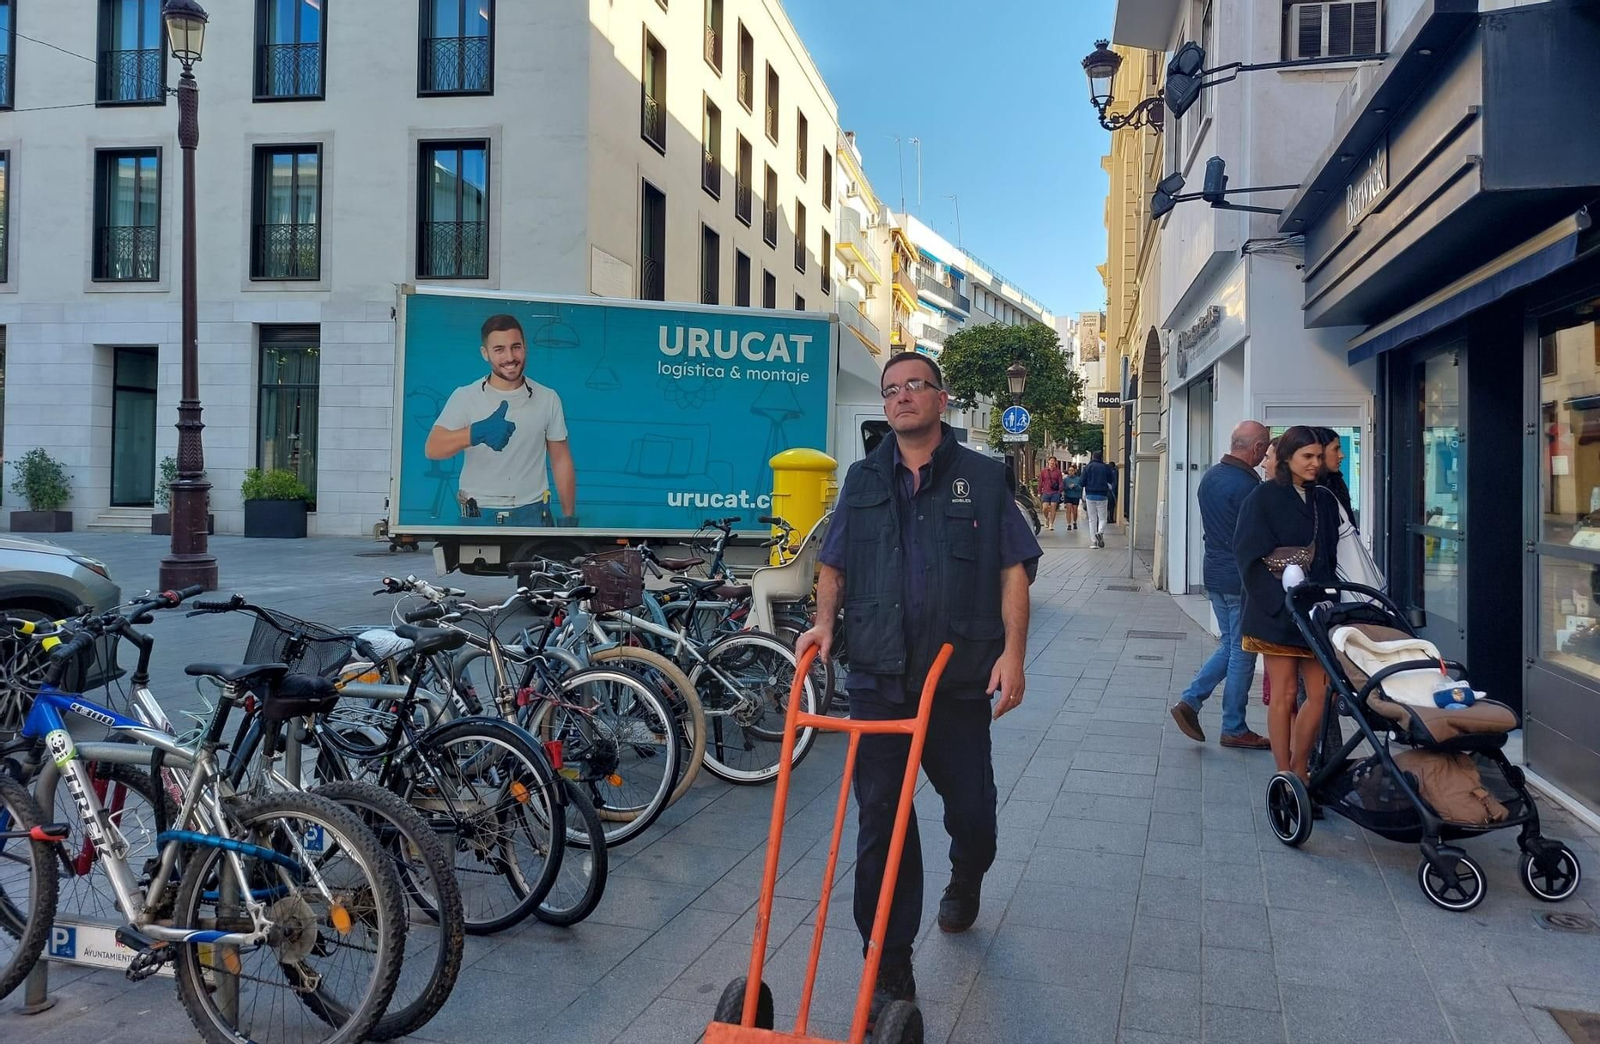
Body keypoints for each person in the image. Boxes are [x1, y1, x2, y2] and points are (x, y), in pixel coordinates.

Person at [798, 351, 1041, 1025]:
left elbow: (1014, 571)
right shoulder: (862, 478)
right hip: (879, 677)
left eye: (916, 386)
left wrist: (1013, 656)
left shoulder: (986, 479)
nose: (902, 397)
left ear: (941, 399)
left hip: (957, 680)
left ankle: (968, 875)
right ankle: (889, 956)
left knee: (973, 813)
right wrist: (821, 625)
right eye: (892, 389)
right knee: (882, 820)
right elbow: (834, 561)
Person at [1233, 425, 1342, 780]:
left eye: (1317, 456)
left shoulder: (1324, 499)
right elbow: (1247, 555)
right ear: (1288, 458)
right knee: (1285, 692)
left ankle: (1300, 764)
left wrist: (1329, 602)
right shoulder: (1263, 498)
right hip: (1275, 610)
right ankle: (1285, 771)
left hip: (1314, 609)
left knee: (1322, 693)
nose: (1314, 463)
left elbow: (1329, 556)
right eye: (1306, 456)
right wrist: (1279, 604)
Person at [1170, 421, 1273, 750]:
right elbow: (1256, 537)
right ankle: (1233, 726)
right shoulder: (1249, 486)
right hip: (1240, 577)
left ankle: (1191, 701)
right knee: (1243, 650)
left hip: (1214, 572)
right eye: (1265, 448)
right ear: (1256, 448)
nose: (1265, 455)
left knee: (1231, 645)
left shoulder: (1211, 477)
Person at [425, 314, 578, 526]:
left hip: (533, 514)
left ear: (525, 348)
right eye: (499, 349)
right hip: (478, 513)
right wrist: (475, 432)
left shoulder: (548, 398)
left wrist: (568, 517)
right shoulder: (465, 396)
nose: (509, 357)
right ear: (485, 353)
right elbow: (433, 448)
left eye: (516, 347)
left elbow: (561, 460)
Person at [1081, 451, 1116, 548]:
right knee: (1103, 517)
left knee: (1092, 519)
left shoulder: (1087, 467)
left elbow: (1081, 482)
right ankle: (1100, 532)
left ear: (1092, 457)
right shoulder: (1106, 468)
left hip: (1090, 495)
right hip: (1102, 495)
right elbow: (1111, 480)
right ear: (1101, 457)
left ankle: (1093, 542)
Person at [1038, 457, 1064, 530]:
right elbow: (1040, 482)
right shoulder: (1043, 471)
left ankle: (1051, 524)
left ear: (1055, 462)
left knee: (1053, 507)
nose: (1052, 462)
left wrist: (1059, 491)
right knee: (1045, 508)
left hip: (1055, 492)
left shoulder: (1058, 472)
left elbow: (1060, 482)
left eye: (1053, 461)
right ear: (1048, 461)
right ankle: (1047, 518)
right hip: (1046, 491)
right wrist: (1039, 491)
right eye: (1051, 460)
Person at [1062, 463, 1084, 530]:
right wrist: (1068, 487)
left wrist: (1074, 486)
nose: (1070, 472)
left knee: (1075, 511)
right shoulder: (1065, 479)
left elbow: (1081, 488)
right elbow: (1063, 488)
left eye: (1072, 470)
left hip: (1075, 496)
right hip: (1068, 496)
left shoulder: (1078, 479)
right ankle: (1069, 524)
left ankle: (1074, 522)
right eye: (1069, 470)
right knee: (1068, 510)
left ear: (1074, 471)